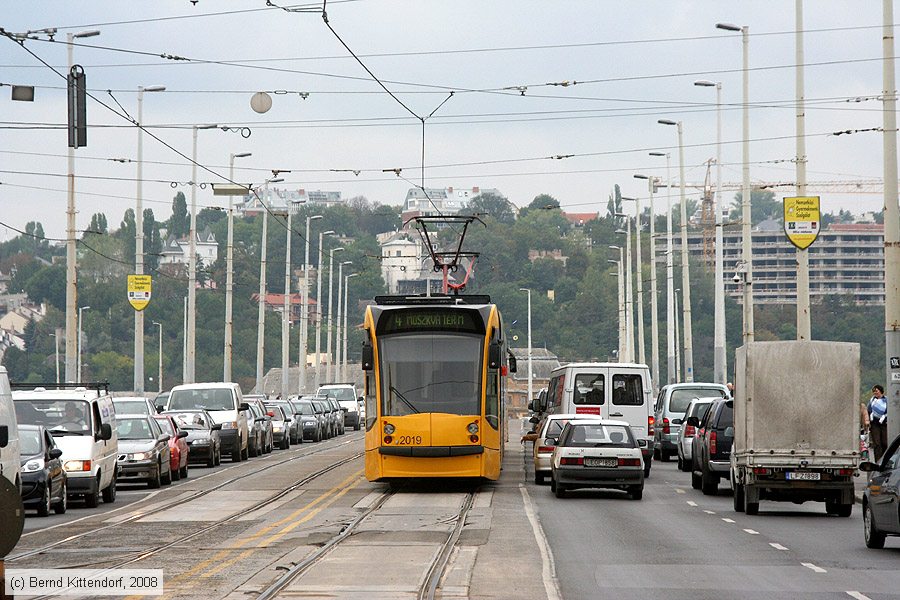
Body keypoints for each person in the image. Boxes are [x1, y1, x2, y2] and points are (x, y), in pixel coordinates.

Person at [867, 385, 888, 462]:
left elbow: (889, 411)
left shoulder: (886, 400)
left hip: (884, 423)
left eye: (876, 391)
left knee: (885, 442)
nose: (875, 393)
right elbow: (869, 411)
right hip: (874, 424)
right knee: (877, 443)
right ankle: (878, 461)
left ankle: (885, 460)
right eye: (874, 391)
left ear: (881, 391)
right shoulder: (872, 400)